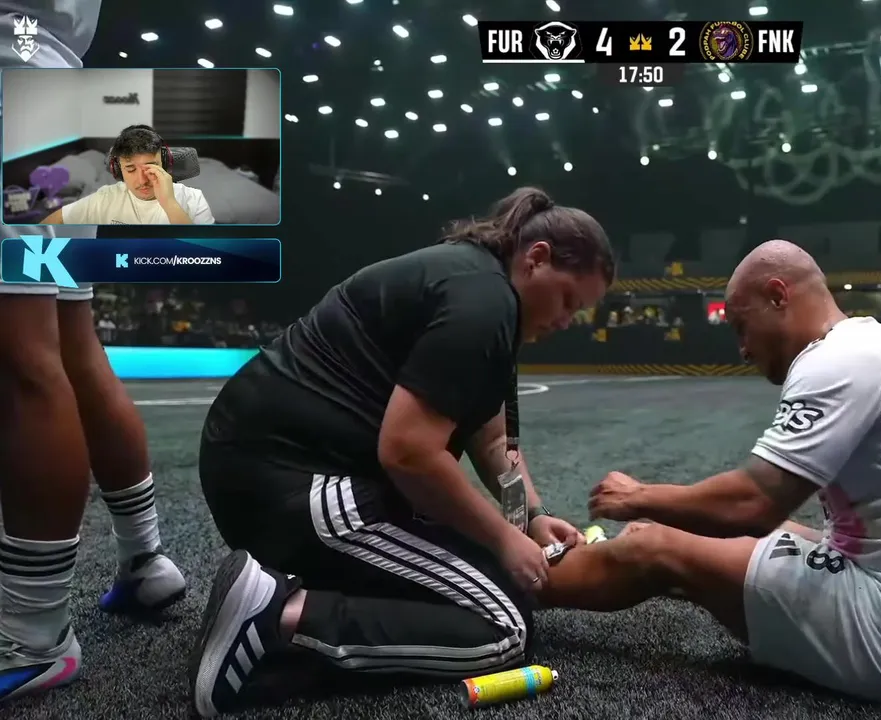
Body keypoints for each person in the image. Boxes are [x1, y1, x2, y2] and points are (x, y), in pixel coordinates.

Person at [189, 187, 613, 718]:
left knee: (500, 582)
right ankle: (277, 618)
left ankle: (281, 598)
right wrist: (504, 536)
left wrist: (533, 515)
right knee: (504, 628)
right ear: (538, 258)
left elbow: (491, 440)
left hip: (275, 469)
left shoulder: (481, 287)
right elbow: (409, 453)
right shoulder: (484, 304)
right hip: (294, 482)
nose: (567, 320)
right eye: (569, 300)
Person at [541, 240, 881, 703]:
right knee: (678, 526)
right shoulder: (871, 343)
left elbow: (754, 503)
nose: (743, 349)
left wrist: (638, 496)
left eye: (742, 327)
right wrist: (671, 514)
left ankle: (516, 587)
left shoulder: (836, 360)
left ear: (778, 295)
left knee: (654, 545)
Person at [0, 1, 187, 704]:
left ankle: (33, 635)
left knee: (23, 360)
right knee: (74, 346)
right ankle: (145, 560)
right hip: (49, 91)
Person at [42, 125, 215, 225]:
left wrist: (169, 203)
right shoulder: (104, 198)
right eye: (131, 169)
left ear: (165, 163)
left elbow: (206, 257)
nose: (142, 180)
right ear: (118, 170)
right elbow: (50, 223)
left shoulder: (194, 199)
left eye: (150, 168)